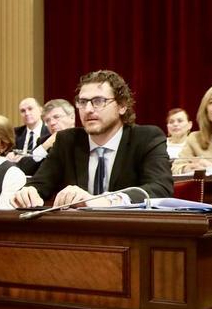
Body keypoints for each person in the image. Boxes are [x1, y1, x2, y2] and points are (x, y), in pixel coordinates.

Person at [11, 70, 173, 208]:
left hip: (129, 235)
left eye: (98, 101)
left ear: (122, 106)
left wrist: (107, 201)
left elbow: (160, 188)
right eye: (82, 102)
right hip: (78, 236)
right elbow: (40, 184)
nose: (88, 109)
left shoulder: (146, 138)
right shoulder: (67, 141)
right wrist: (29, 192)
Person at [17, 99, 74, 177]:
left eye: (56, 117)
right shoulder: (44, 141)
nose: (52, 123)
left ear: (72, 117)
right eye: (48, 120)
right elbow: (24, 168)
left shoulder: (85, 138)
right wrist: (45, 146)